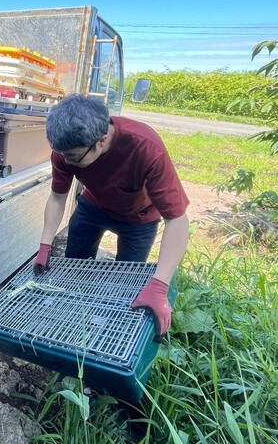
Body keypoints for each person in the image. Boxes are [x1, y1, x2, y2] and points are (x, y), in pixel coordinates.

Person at [33, 94, 189, 339]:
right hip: (94, 206)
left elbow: (177, 219)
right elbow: (57, 197)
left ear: (101, 141)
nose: (65, 161)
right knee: (76, 263)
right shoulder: (66, 149)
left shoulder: (146, 148)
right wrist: (45, 245)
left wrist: (160, 284)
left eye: (73, 157)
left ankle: (111, 328)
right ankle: (72, 319)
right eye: (61, 154)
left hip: (139, 217)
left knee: (125, 280)